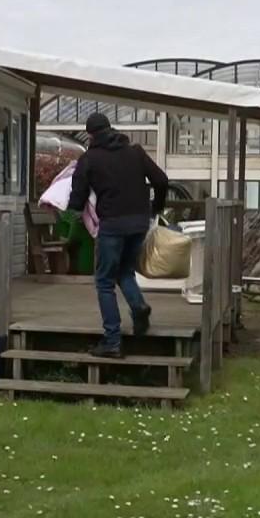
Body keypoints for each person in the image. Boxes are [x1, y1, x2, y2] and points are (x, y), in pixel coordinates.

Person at [67, 112, 170, 358]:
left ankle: (112, 341)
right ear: (111, 129)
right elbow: (162, 180)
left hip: (112, 225)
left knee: (104, 282)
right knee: (124, 271)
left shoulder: (89, 158)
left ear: (91, 135)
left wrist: (72, 210)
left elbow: (78, 195)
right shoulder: (135, 152)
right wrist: (156, 207)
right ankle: (139, 307)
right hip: (138, 223)